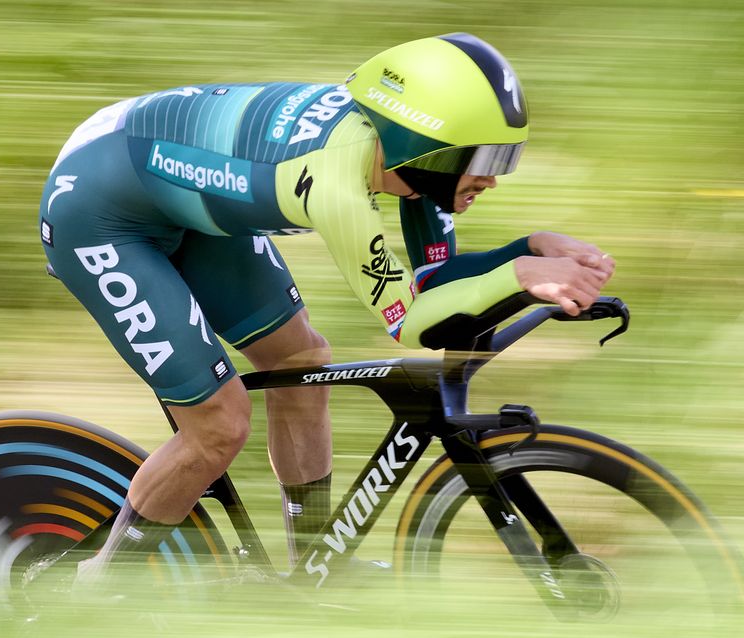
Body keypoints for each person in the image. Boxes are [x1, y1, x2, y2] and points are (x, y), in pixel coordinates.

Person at [37, 32, 616, 582]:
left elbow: (438, 282)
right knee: (218, 425)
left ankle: (314, 565)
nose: (492, 179)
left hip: (175, 198)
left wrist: (528, 249)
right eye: (485, 159)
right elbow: (415, 323)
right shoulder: (337, 180)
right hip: (99, 210)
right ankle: (99, 588)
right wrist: (520, 275)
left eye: (504, 160)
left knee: (301, 365)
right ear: (427, 146)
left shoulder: (406, 163)